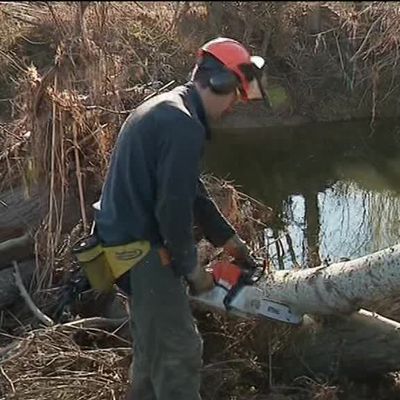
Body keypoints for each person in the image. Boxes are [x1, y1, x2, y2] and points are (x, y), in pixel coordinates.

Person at [92, 37, 270, 400]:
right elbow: (171, 209)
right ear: (220, 82)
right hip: (141, 252)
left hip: (119, 245)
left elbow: (190, 191)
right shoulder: (182, 124)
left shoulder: (171, 109)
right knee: (179, 352)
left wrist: (229, 241)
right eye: (235, 93)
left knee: (150, 349)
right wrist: (192, 271)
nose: (234, 104)